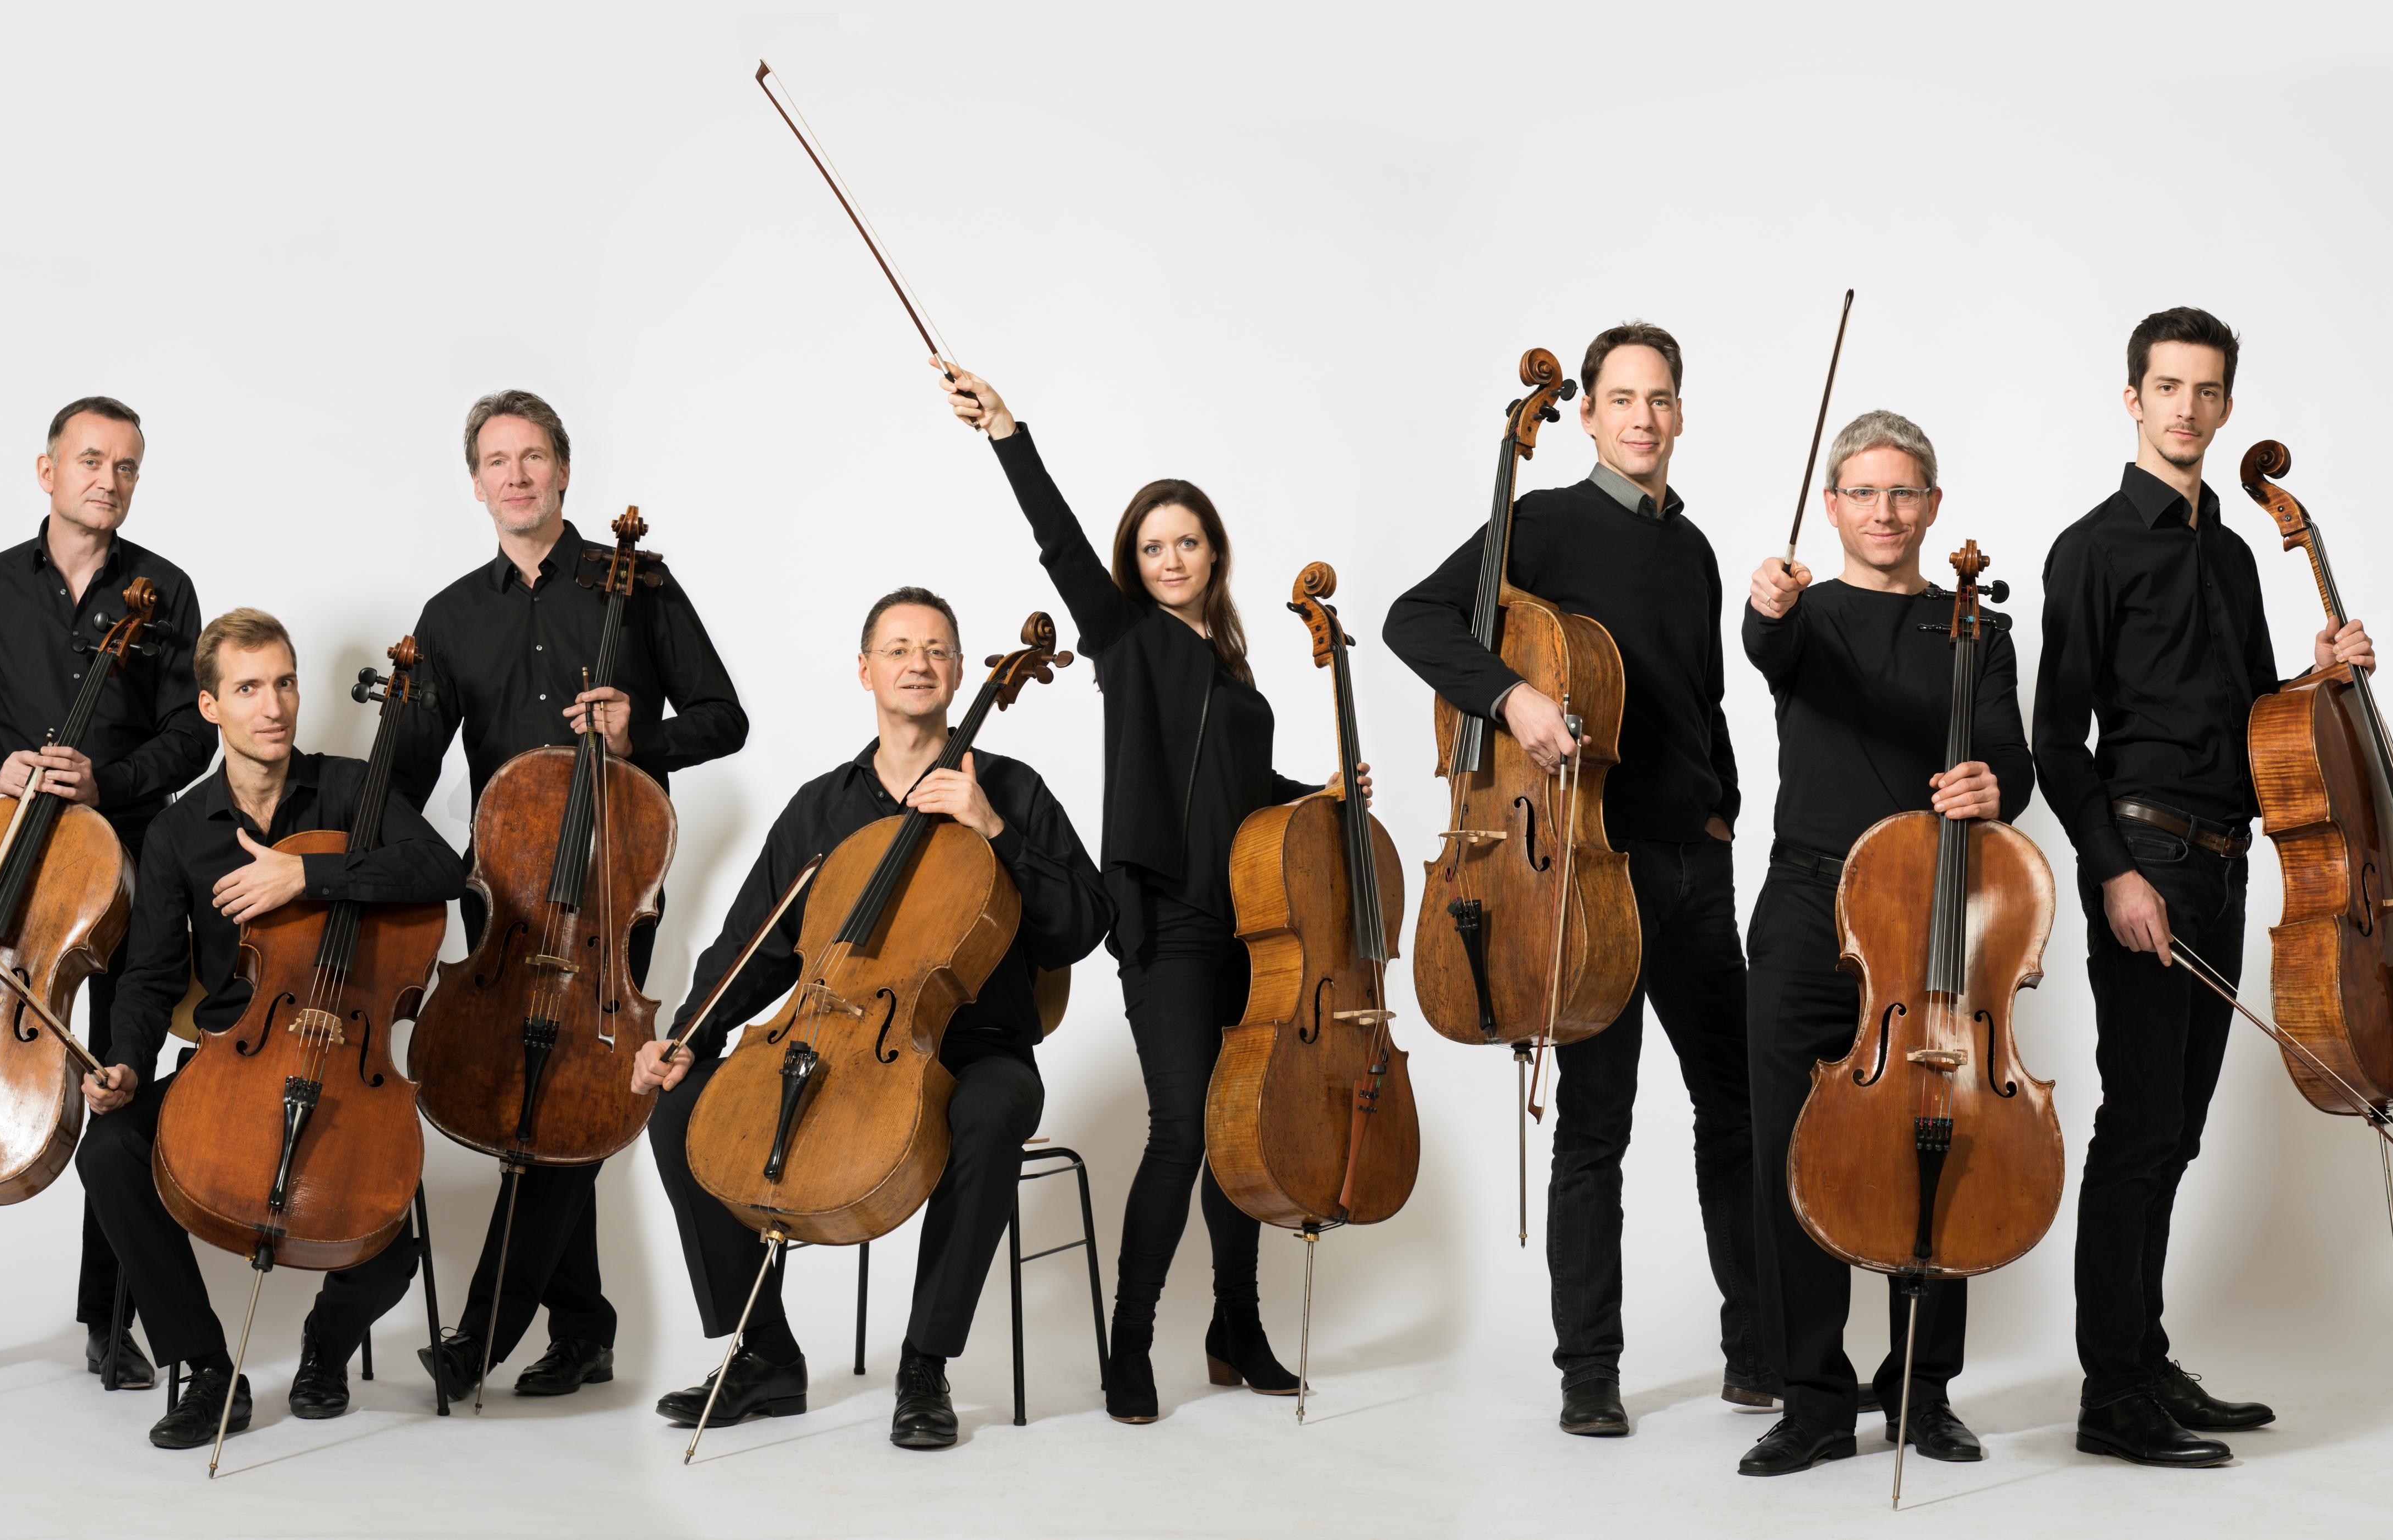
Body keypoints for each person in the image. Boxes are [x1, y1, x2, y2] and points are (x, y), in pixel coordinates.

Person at [940, 359, 1367, 1421]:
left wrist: (1317, 795)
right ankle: (1128, 1346)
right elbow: (1058, 542)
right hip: (1166, 924)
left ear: (1214, 552)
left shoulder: (1235, 671)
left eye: (1186, 542)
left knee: (1241, 1130)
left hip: (1248, 928)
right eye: (1152, 547)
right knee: (1182, 1127)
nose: (1170, 559)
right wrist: (1009, 432)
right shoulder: (1127, 642)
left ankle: (1235, 1331)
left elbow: (1240, 794)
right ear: (1135, 565)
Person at [1381, 322, 1764, 1436]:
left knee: (1736, 1108)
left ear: (1680, 415)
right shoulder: (1543, 521)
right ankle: (1587, 1371)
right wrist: (1512, 698)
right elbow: (1415, 618)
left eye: (1661, 398)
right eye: (1622, 398)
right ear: (1586, 414)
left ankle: (1755, 1352)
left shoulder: (1694, 550)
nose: (1644, 417)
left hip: (1692, 867)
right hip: (1585, 877)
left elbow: (1702, 699)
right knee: (1596, 1126)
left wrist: (1724, 806)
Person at [635, 587, 1115, 1451]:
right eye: (898, 649)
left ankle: (925, 1365)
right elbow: (754, 945)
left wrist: (994, 830)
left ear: (960, 672)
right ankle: (762, 1353)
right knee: (680, 1107)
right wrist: (687, 1036)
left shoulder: (1011, 789)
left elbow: (1084, 924)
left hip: (979, 1049)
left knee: (990, 1111)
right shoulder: (823, 807)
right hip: (837, 1044)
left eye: (935, 650)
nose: (917, 664)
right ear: (866, 671)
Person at [2032, 307, 2352, 1469]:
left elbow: (2245, 714)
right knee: (2136, 1129)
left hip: (2224, 861)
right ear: (2133, 398)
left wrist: (2313, 679)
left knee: (2177, 1132)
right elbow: (2055, 741)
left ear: (2224, 405)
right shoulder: (2090, 549)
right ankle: (2109, 1397)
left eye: (2206, 390)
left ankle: (2145, 1357)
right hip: (2147, 860)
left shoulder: (2231, 551)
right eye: (2166, 386)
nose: (2186, 407)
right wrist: (2113, 874)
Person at [391, 388, 751, 1403]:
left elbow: (725, 717)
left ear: (562, 470)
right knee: (536, 1108)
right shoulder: (450, 617)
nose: (517, 476)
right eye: (497, 461)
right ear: (476, 484)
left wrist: (643, 736)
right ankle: (586, 1328)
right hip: (504, 907)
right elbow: (405, 775)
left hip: (612, 896)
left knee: (573, 1102)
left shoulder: (638, 583)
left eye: (534, 457)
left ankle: (480, 1338)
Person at [78, 607, 466, 1447]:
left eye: (284, 682)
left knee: (390, 1239)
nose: (274, 706)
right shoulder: (180, 830)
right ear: (210, 707)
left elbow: (444, 868)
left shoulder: (351, 788)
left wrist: (308, 873)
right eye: (249, 688)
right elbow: (148, 976)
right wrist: (127, 1063)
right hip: (232, 1061)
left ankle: (326, 1347)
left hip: (348, 1062)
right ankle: (208, 1370)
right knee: (107, 1150)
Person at [1730, 410, 2031, 1476]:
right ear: (1832, 507)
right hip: (1808, 906)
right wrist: (1765, 603)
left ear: (1933, 506)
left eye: (1904, 493)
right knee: (1790, 1152)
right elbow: (1765, 644)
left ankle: (1922, 1392)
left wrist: (1995, 785)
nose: (1885, 512)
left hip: (1935, 914)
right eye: (1863, 492)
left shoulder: (1978, 630)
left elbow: (2010, 758)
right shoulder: (1803, 616)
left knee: (1934, 1138)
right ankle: (1812, 1400)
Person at [0, 396, 194, 1390]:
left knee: (116, 1082)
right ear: (47, 470)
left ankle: (112, 1323)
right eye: (92, 460)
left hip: (126, 870)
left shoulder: (166, 589)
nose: (110, 480)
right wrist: (0, 771)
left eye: (127, 466)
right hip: (12, 868)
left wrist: (112, 782)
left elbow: (191, 734)